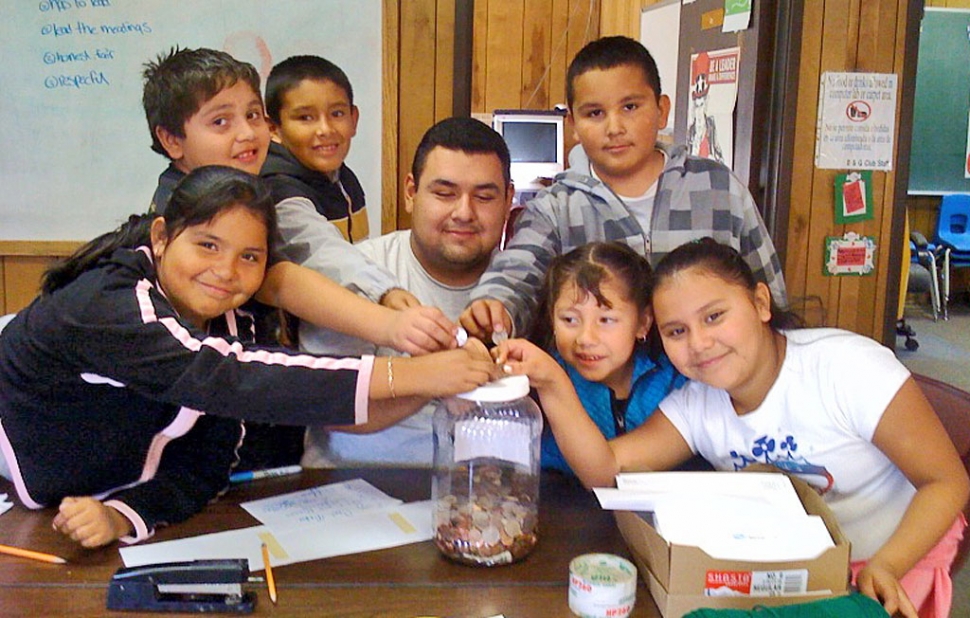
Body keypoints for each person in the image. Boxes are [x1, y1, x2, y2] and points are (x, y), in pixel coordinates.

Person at [0, 166, 498, 550]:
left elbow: (206, 464)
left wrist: (124, 515)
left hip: (83, 502)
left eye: (250, 257)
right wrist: (412, 370)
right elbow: (228, 376)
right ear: (161, 236)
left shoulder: (228, 318)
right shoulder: (109, 303)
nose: (225, 271)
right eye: (207, 245)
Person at [496, 238, 969, 618]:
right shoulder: (697, 403)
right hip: (789, 568)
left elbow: (946, 482)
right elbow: (604, 469)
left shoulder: (847, 368)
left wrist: (886, 565)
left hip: (892, 556)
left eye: (715, 317)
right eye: (677, 331)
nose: (699, 344)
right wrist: (553, 381)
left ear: (760, 303)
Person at [462, 35, 786, 341]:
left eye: (630, 107)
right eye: (595, 113)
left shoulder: (719, 189)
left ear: (661, 111)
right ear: (573, 125)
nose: (614, 128)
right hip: (594, 394)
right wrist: (495, 304)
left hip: (711, 384)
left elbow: (770, 297)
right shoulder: (555, 209)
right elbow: (518, 272)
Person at [301, 117, 514, 467]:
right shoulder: (358, 271)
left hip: (478, 492)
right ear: (411, 192)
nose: (464, 212)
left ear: (509, 199)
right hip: (351, 484)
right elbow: (327, 408)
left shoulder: (521, 284)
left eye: (485, 196)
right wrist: (434, 378)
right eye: (444, 193)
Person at [534, 242, 685, 475]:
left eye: (606, 320)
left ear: (643, 322)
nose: (585, 338)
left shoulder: (675, 380)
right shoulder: (540, 378)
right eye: (570, 320)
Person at [261, 55, 368, 243]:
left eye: (337, 114)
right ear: (272, 129)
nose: (325, 129)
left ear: (354, 119)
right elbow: (333, 261)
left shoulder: (343, 177)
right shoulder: (278, 192)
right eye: (305, 118)